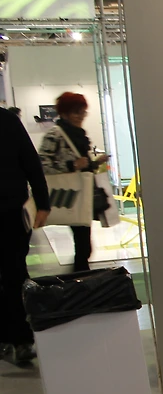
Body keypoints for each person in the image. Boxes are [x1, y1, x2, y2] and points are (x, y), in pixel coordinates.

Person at [0, 102, 49, 365]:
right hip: (11, 211)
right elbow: (32, 163)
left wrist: (43, 203)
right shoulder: (8, 121)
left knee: (15, 274)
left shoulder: (7, 122)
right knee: (13, 274)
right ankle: (12, 338)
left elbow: (31, 164)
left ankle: (20, 338)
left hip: (11, 213)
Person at [39, 92, 108, 272]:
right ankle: (81, 276)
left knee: (84, 242)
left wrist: (95, 163)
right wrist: (72, 165)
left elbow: (83, 166)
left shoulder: (79, 135)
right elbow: (42, 164)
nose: (80, 116)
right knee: (83, 242)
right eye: (76, 112)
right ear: (64, 113)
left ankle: (81, 274)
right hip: (70, 194)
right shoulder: (55, 134)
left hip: (83, 192)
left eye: (83, 112)